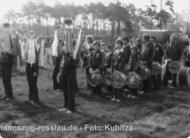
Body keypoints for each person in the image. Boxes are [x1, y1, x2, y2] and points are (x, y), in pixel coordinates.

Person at [0, 23, 17, 101]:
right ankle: (6, 94)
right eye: (4, 27)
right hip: (2, 57)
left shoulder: (11, 33)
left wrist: (11, 53)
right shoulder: (2, 34)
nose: (4, 29)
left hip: (8, 56)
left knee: (7, 77)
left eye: (5, 27)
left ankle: (10, 96)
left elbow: (14, 44)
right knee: (3, 77)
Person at [24, 30, 41, 104]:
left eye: (32, 34)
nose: (31, 35)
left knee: (34, 82)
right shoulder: (27, 42)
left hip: (34, 65)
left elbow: (39, 40)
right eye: (30, 34)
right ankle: (31, 97)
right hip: (28, 64)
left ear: (34, 35)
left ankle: (36, 98)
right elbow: (24, 52)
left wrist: (35, 69)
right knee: (29, 81)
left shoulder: (36, 43)